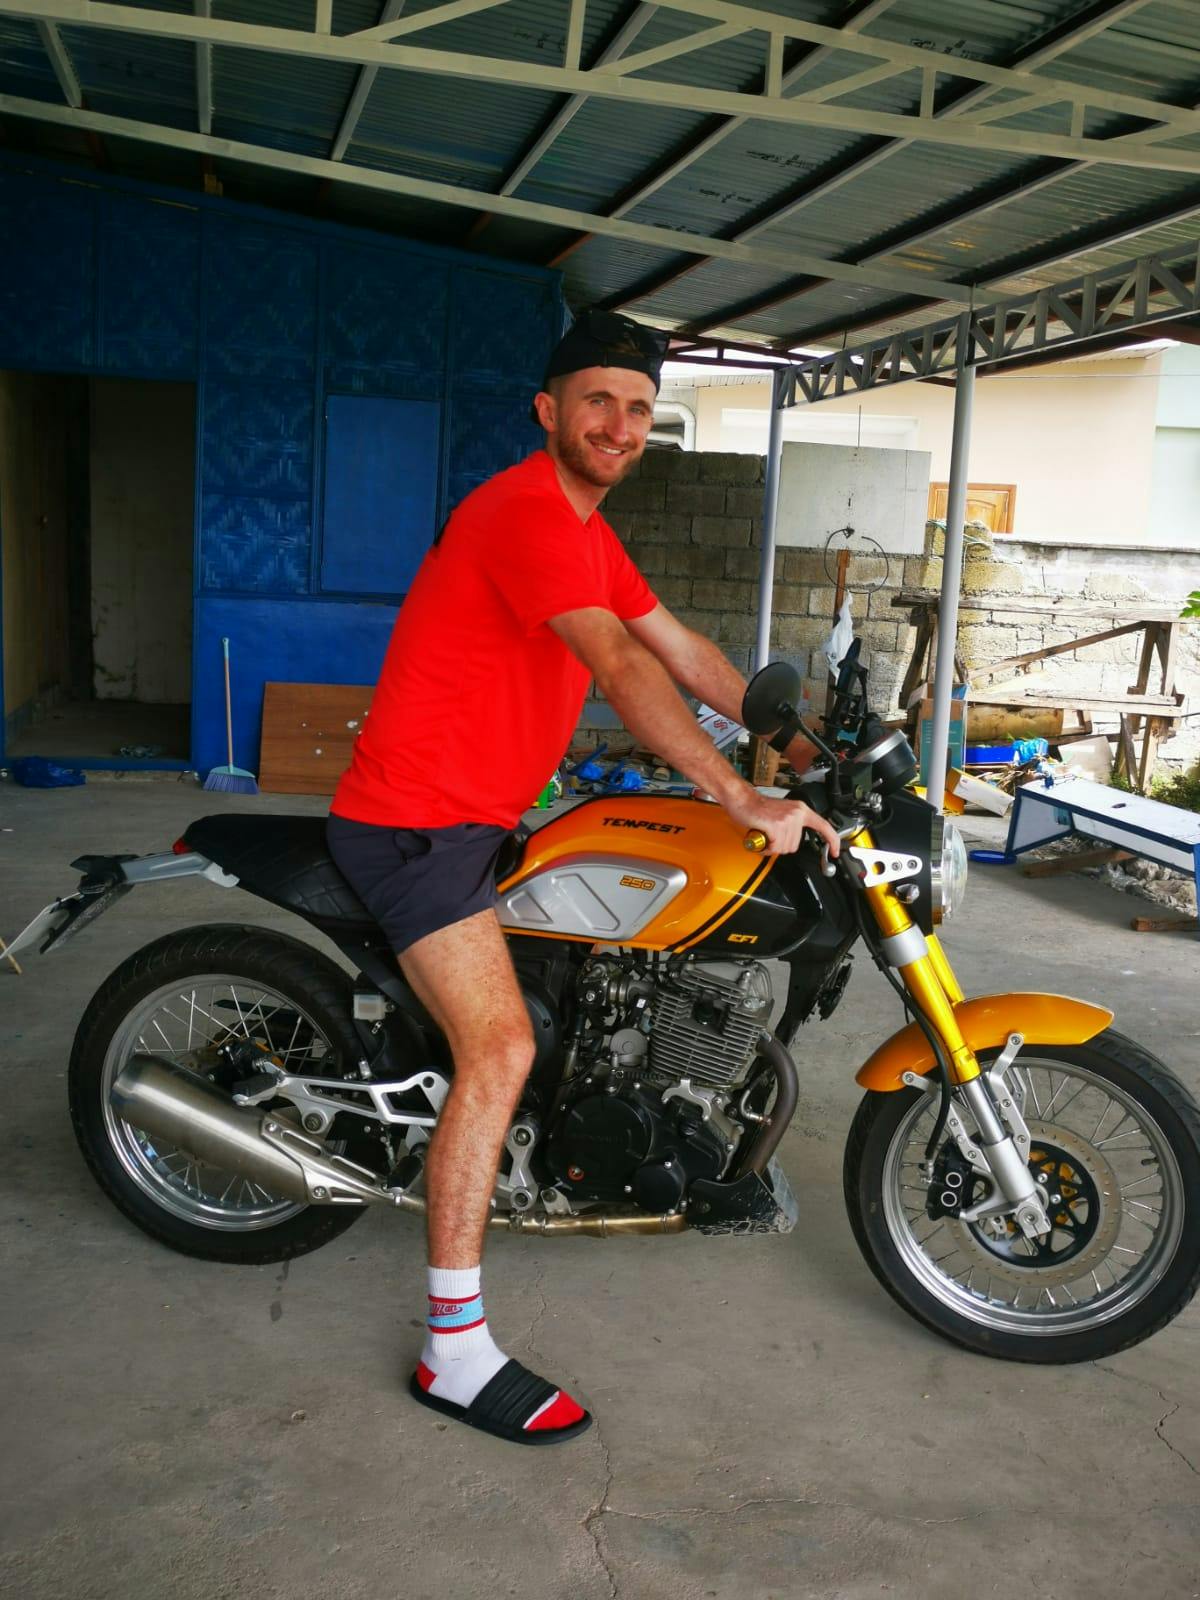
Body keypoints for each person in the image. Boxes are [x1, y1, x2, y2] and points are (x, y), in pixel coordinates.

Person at [327, 309, 840, 1447]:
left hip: (487, 817)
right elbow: (619, 663)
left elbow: (681, 648)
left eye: (640, 408)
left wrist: (810, 749)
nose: (620, 424)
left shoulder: (587, 533)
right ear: (548, 410)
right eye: (598, 401)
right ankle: (453, 1351)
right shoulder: (520, 512)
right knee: (500, 1048)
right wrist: (736, 791)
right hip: (416, 825)